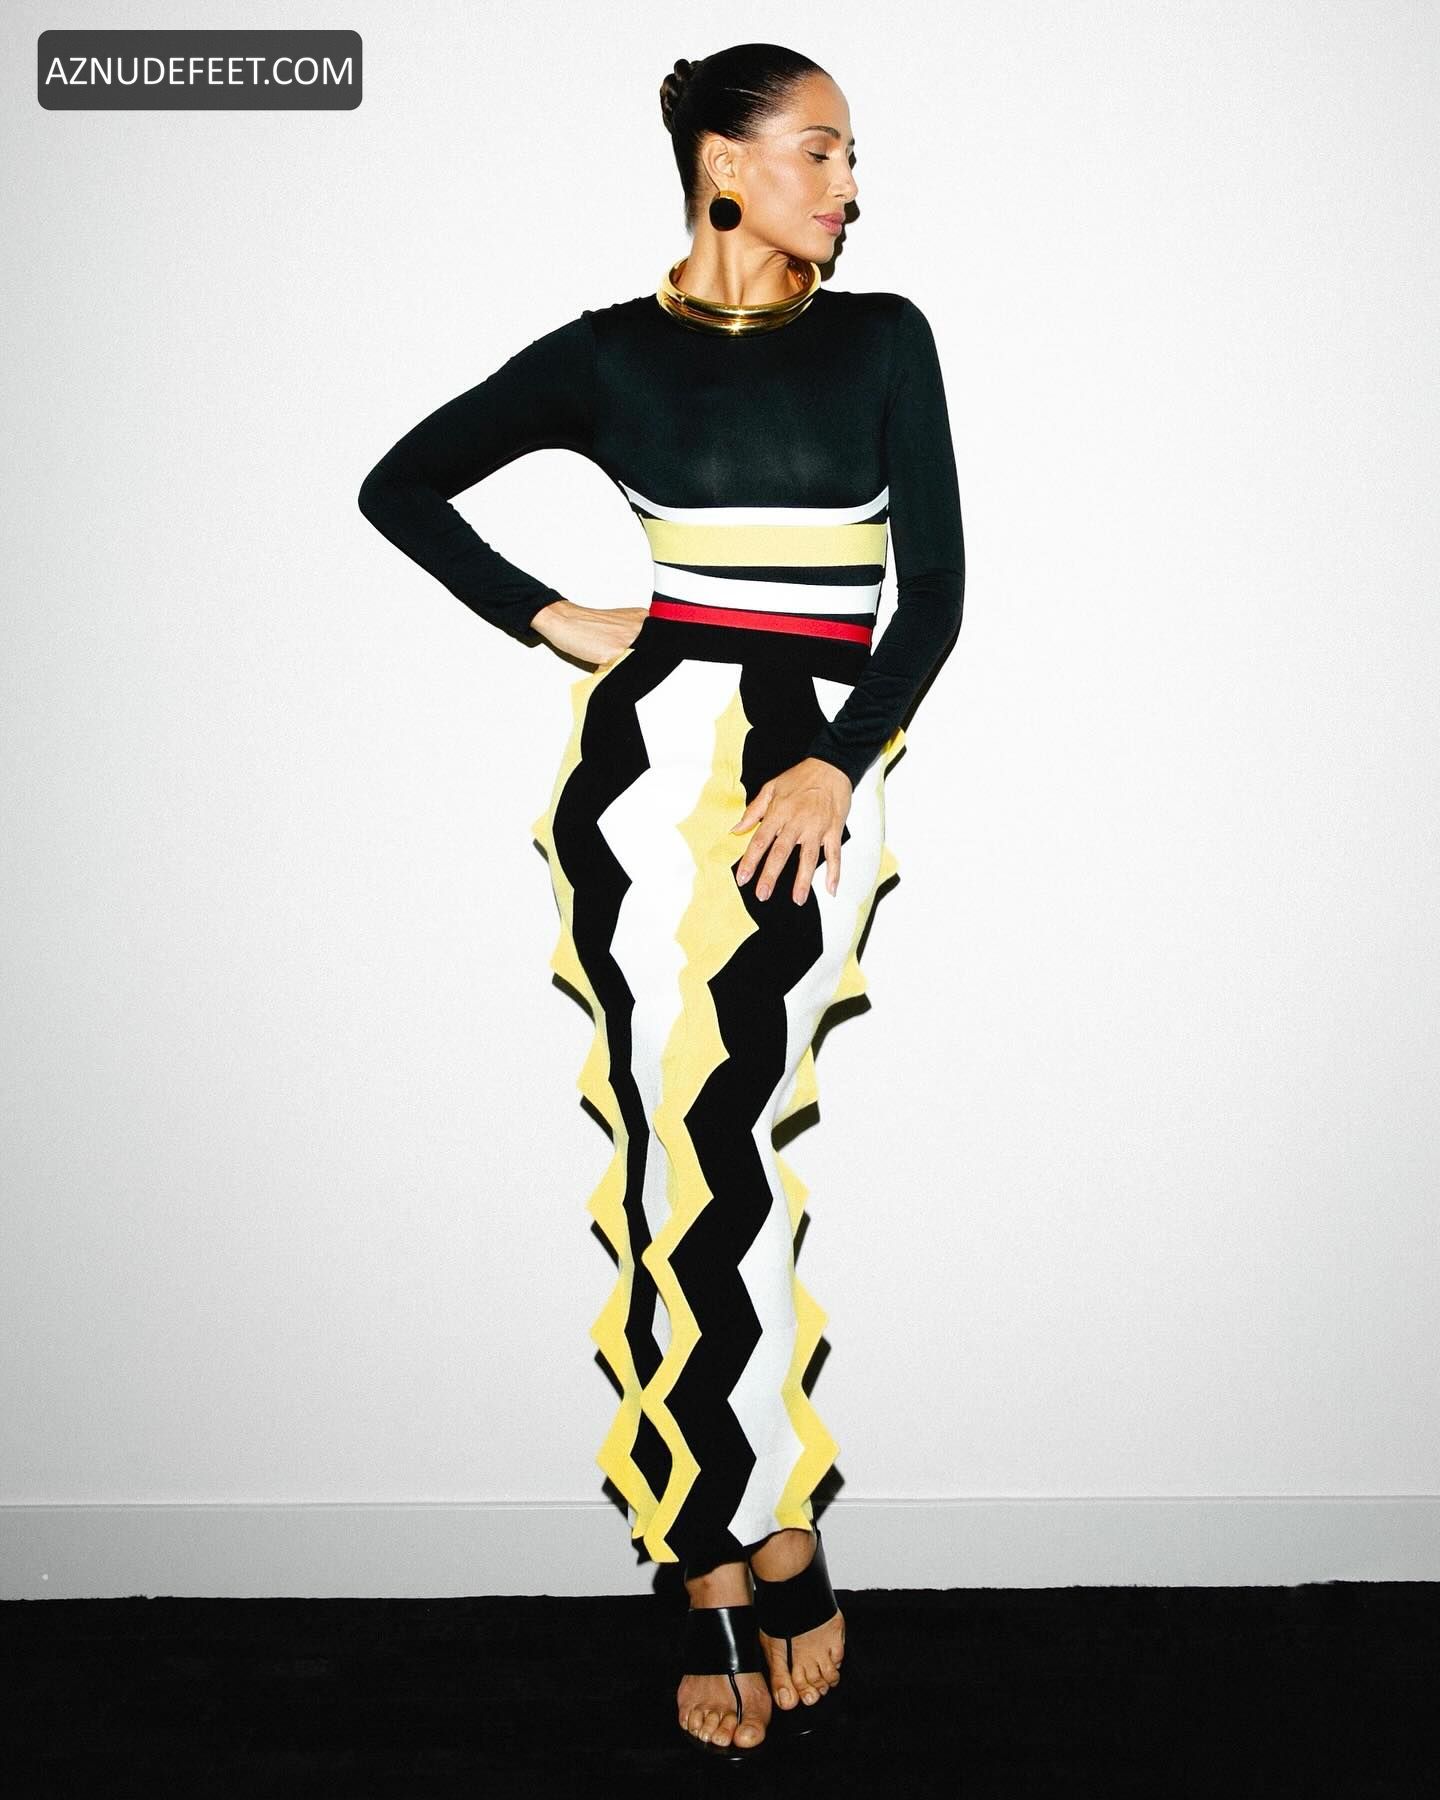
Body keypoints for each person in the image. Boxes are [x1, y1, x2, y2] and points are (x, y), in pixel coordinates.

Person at [357, 41, 965, 1762]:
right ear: (723, 165)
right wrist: (552, 615)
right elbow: (400, 485)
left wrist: (838, 759)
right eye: (819, 152)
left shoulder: (885, 337)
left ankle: (758, 1514)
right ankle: (717, 1545)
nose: (849, 185)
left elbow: (933, 593)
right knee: (658, 1158)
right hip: (643, 780)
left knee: (741, 1149)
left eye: (851, 155)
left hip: (804, 781)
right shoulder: (610, 354)